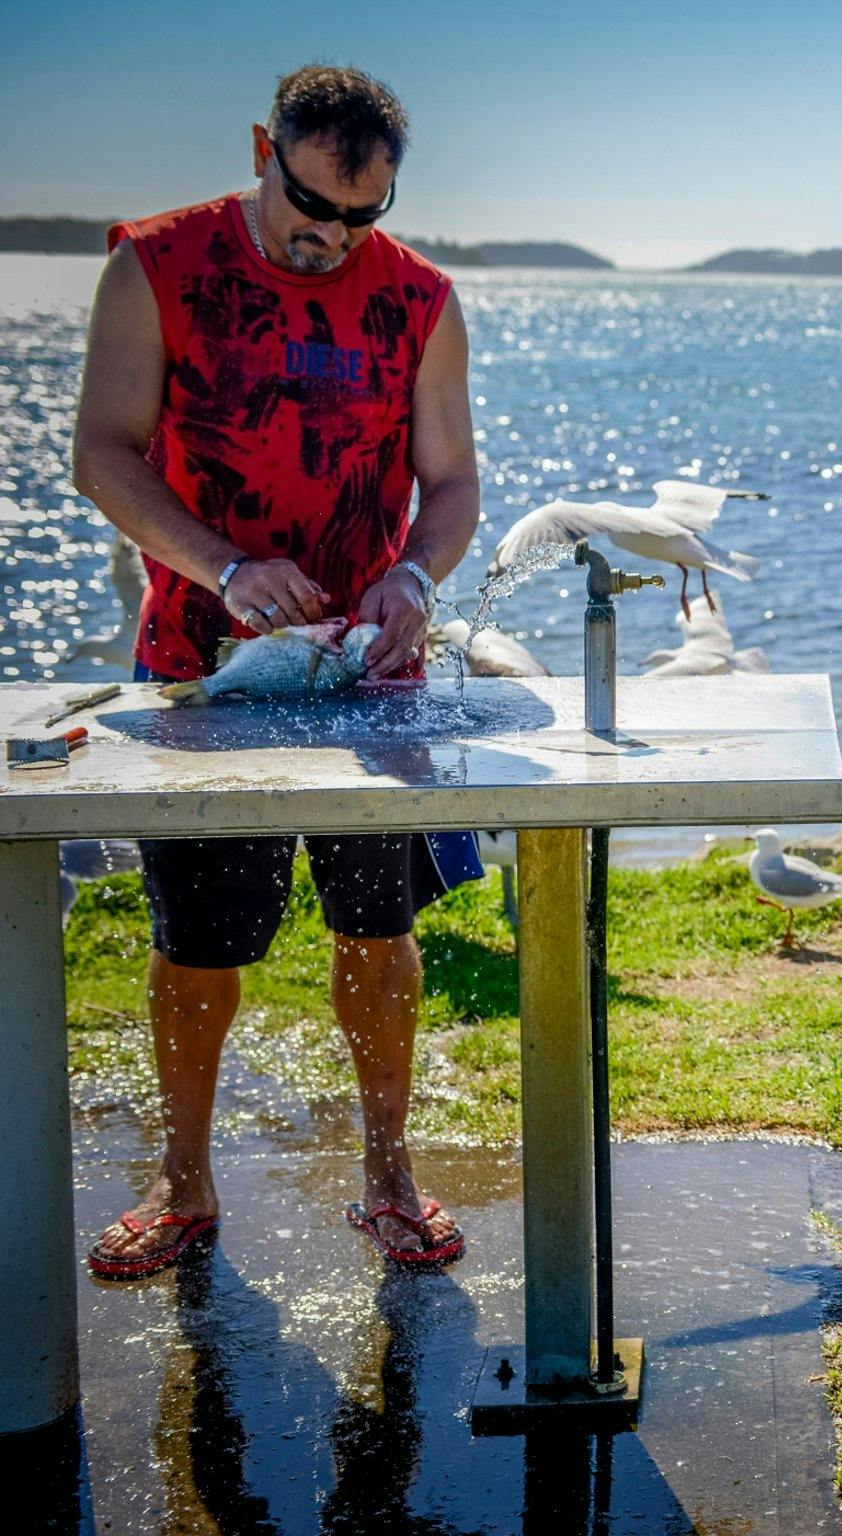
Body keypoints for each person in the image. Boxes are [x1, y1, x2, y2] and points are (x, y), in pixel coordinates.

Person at [70, 64, 482, 1278]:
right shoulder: (156, 266)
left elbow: (453, 483)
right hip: (204, 674)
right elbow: (101, 453)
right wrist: (225, 566)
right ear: (265, 149)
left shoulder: (420, 298)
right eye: (310, 206)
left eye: (362, 214)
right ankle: (183, 1181)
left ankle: (390, 1174)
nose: (331, 238)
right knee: (198, 944)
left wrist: (415, 579)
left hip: (371, 673)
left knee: (379, 931)